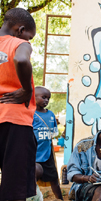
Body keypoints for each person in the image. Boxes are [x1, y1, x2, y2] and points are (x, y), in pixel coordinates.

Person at [0, 8, 37, 201]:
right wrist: (27, 90)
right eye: (29, 37)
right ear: (20, 30)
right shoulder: (18, 43)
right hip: (15, 121)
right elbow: (21, 59)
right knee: (14, 188)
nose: (28, 41)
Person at [33, 86, 63, 200]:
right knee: (33, 178)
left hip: (47, 154)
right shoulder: (30, 113)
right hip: (34, 154)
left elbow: (53, 134)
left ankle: (59, 199)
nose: (46, 100)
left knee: (54, 179)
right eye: (43, 97)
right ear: (33, 97)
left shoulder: (50, 114)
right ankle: (32, 197)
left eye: (48, 98)